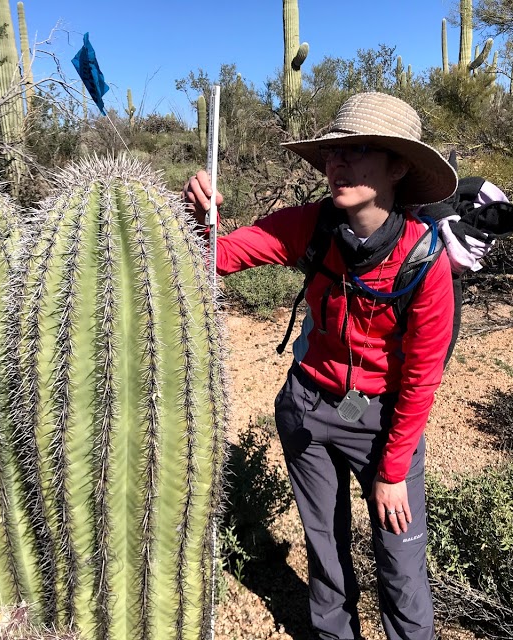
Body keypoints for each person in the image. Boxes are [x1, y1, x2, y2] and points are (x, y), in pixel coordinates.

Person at [183, 92, 457, 640]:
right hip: (307, 406)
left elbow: (422, 377)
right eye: (333, 153)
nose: (337, 164)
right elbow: (216, 257)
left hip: (383, 424)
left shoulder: (425, 261)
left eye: (356, 152)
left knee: (401, 566)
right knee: (326, 551)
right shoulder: (312, 225)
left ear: (398, 167)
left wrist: (394, 471)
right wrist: (195, 213)